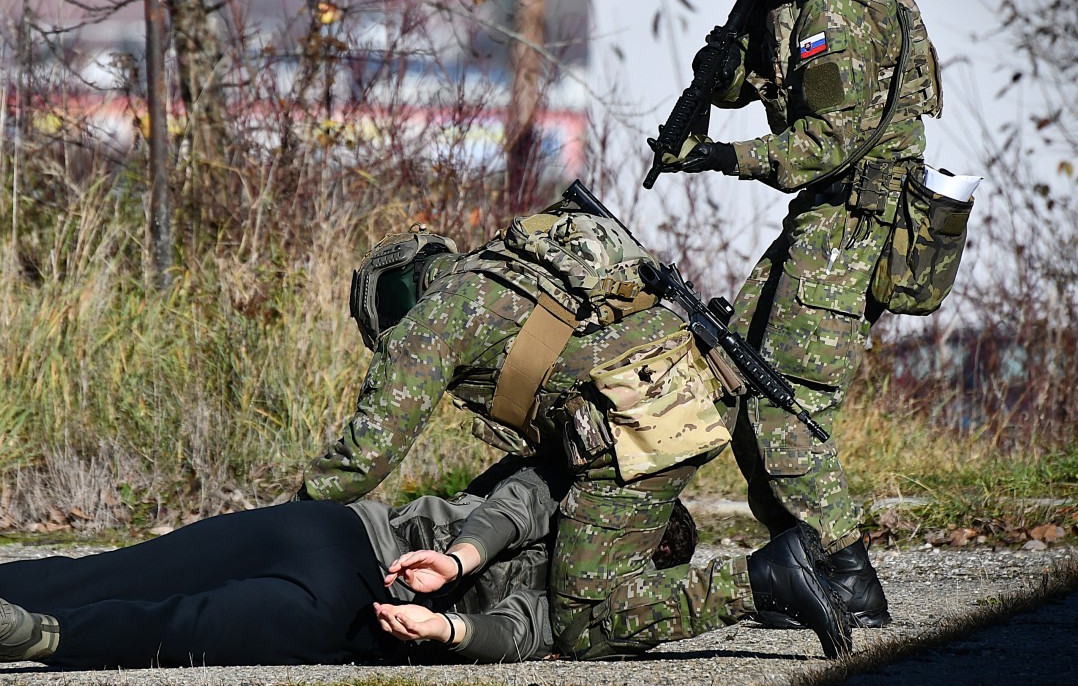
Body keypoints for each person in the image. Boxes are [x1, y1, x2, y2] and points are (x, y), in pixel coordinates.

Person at [295, 191, 852, 659]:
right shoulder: (515, 268)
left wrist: (295, 518)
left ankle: (764, 579)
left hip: (636, 428)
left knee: (583, 623)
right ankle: (841, 574)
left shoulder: (433, 321)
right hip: (696, 389)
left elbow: (366, 453)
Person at [655, 0, 944, 628]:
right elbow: (760, 81)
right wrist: (720, 74)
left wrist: (725, 156)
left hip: (856, 216)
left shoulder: (837, 4)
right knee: (735, 368)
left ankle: (848, 576)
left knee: (783, 401)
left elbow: (831, 141)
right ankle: (804, 564)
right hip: (823, 214)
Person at [0, 458, 566, 671]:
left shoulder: (600, 582)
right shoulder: (587, 499)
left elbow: (524, 620)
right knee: (154, 602)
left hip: (351, 581)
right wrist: (455, 585)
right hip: (341, 557)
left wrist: (448, 626)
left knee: (161, 605)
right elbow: (519, 508)